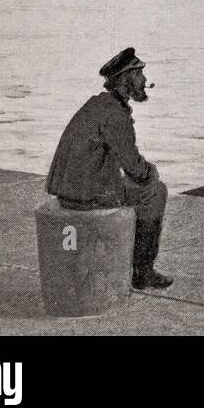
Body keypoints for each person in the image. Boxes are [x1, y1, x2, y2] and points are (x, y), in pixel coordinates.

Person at [45, 47, 173, 291]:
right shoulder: (115, 115)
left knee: (135, 188)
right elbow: (135, 169)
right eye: (139, 74)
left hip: (70, 191)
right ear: (126, 79)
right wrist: (151, 171)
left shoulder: (98, 105)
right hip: (87, 196)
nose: (145, 80)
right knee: (156, 192)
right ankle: (143, 272)